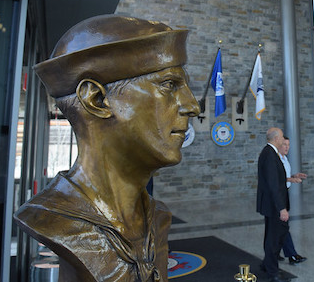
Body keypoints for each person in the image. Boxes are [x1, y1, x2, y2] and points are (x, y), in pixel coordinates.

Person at [14, 14, 200, 281]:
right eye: (169, 85)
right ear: (97, 99)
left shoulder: (157, 219)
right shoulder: (55, 220)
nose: (192, 106)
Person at [257, 127, 291, 282]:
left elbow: (276, 179)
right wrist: (281, 208)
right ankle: (273, 273)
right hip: (274, 205)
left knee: (273, 234)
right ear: (276, 138)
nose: (284, 140)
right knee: (275, 237)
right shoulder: (270, 155)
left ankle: (267, 264)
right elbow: (272, 184)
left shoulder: (269, 153)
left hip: (272, 203)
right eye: (282, 137)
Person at [278, 136, 307, 264]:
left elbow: (284, 176)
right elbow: (275, 179)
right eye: (284, 144)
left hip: (285, 193)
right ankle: (292, 255)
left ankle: (273, 252)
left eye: (288, 145)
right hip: (278, 194)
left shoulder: (285, 159)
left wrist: (294, 176)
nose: (287, 147)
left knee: (276, 226)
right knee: (283, 224)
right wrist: (291, 180)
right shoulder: (276, 159)